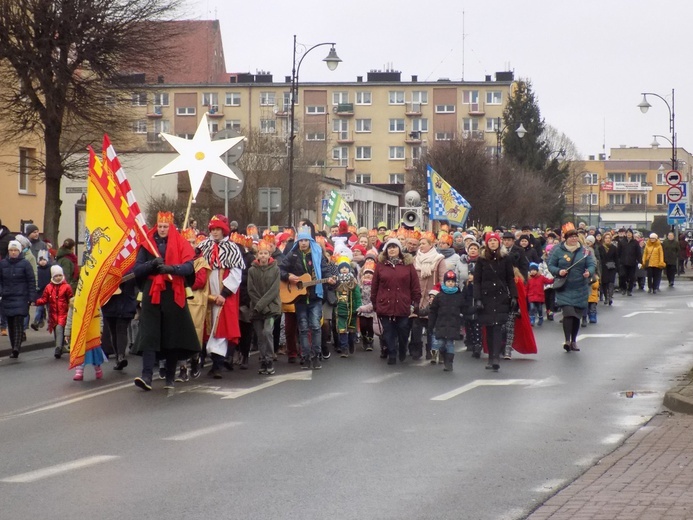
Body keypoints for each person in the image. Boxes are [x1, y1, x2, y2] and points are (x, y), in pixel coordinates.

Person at [132, 212, 201, 391]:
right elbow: (137, 269)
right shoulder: (147, 245)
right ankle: (146, 376)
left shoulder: (181, 243)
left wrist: (171, 268)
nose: (162, 230)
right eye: (160, 226)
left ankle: (170, 376)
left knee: (172, 335)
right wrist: (153, 264)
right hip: (152, 291)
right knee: (149, 333)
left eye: (165, 227)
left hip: (173, 292)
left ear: (170, 227)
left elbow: (189, 266)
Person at [280, 226, 337, 369]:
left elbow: (324, 271)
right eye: (301, 240)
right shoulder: (293, 255)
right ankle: (305, 357)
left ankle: (316, 356)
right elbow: (280, 269)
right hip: (299, 299)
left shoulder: (317, 254)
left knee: (316, 327)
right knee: (303, 329)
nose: (303, 243)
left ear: (310, 241)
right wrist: (288, 276)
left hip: (315, 298)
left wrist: (330, 279)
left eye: (306, 240)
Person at [372, 237, 421, 365]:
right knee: (388, 331)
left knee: (403, 329)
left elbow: (415, 285)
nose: (392, 249)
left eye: (394, 247)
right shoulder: (380, 266)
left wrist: (416, 302)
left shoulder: (408, 265)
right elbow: (375, 285)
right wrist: (374, 302)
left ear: (399, 249)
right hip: (385, 303)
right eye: (389, 247)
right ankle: (392, 353)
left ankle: (403, 347)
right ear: (386, 250)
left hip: (403, 303)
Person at [547, 228, 596, 353]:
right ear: (566, 238)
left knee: (576, 316)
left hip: (580, 287)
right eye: (571, 237)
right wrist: (559, 271)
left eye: (575, 236)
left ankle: (574, 340)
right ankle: (567, 340)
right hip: (565, 287)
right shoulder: (558, 250)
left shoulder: (585, 251)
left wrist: (588, 272)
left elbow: (591, 264)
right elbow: (551, 265)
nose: (573, 239)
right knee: (568, 313)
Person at [473, 232, 517, 371]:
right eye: (490, 240)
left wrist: (514, 296)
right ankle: (491, 356)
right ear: (486, 243)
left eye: (495, 240)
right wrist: (478, 298)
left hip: (501, 297)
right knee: (489, 327)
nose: (493, 243)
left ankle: (496, 357)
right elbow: (477, 281)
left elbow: (510, 278)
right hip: (486, 298)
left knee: (498, 327)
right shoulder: (481, 260)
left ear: (499, 243)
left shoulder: (505, 259)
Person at [248, 240, 281, 375]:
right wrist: (259, 306)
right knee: (260, 336)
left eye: (265, 253)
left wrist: (263, 306)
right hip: (256, 309)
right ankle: (262, 360)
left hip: (271, 308)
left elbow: (274, 290)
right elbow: (251, 290)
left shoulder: (276, 269)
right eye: (260, 253)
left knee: (268, 332)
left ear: (269, 255)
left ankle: (269, 359)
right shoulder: (251, 270)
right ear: (257, 255)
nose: (263, 256)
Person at [411, 231, 446, 360]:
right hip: (417, 298)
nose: (420, 246)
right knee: (416, 326)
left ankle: (431, 350)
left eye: (423, 243)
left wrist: (436, 294)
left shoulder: (439, 259)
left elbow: (443, 279)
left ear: (431, 245)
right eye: (420, 243)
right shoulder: (415, 259)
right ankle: (416, 350)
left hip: (433, 298)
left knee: (431, 326)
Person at [0, 240, 36, 358]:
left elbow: (31, 281)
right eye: (11, 250)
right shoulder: (3, 264)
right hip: (7, 297)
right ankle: (13, 347)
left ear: (19, 251)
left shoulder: (25, 264)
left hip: (21, 296)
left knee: (18, 321)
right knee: (10, 323)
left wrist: (31, 297)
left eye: (15, 250)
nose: (13, 252)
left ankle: (16, 347)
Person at [100, 269, 138, 370]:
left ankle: (120, 356)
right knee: (115, 331)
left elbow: (134, 280)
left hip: (123, 301)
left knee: (120, 330)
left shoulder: (129, 263)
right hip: (110, 302)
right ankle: (119, 357)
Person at [428, 270, 465, 371]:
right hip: (441, 324)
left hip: (454, 324)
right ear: (444, 282)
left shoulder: (459, 296)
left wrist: (475, 310)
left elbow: (465, 309)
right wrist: (431, 325)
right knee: (441, 344)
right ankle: (443, 356)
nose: (450, 283)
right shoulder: (439, 296)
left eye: (452, 282)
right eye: (448, 281)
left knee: (450, 343)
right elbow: (433, 311)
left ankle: (449, 362)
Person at [35, 265, 73, 359]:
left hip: (64, 313)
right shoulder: (48, 287)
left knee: (59, 329)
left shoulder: (66, 287)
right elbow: (44, 299)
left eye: (60, 275)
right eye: (56, 276)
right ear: (52, 277)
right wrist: (35, 301)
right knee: (57, 332)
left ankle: (58, 348)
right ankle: (61, 348)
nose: (58, 277)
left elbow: (70, 300)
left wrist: (71, 309)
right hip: (53, 315)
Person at [334, 256, 362, 358]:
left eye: (346, 267)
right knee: (342, 330)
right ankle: (344, 349)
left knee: (351, 330)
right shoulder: (336, 282)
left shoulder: (353, 282)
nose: (344, 269)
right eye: (342, 268)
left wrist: (358, 307)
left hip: (352, 310)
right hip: (340, 310)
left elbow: (357, 295)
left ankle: (351, 343)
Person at [526, 262, 553, 326]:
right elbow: (526, 288)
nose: (533, 272)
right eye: (531, 270)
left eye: (534, 270)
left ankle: (540, 318)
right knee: (532, 308)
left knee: (540, 309)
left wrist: (553, 279)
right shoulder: (528, 279)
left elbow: (548, 281)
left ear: (537, 271)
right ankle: (532, 319)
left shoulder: (541, 277)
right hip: (531, 296)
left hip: (539, 296)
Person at [31, 250, 51, 331]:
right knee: (39, 308)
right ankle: (36, 321)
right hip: (40, 293)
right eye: (41, 260)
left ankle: (51, 323)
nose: (42, 262)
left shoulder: (50, 269)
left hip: (49, 292)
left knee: (50, 309)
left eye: (44, 260)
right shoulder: (37, 270)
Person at [618, 229, 641, 296]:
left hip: (632, 262)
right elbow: (618, 252)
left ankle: (629, 290)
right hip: (623, 262)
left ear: (632, 234)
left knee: (631, 277)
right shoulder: (622, 242)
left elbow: (638, 253)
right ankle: (624, 288)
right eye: (627, 233)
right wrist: (618, 261)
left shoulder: (635, 242)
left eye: (630, 233)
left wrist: (639, 261)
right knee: (623, 276)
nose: (628, 234)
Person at [598, 232, 619, 305]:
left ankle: (610, 297)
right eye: (606, 238)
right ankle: (606, 297)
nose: (607, 239)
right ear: (603, 239)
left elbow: (616, 258)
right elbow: (599, 258)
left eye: (609, 238)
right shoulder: (600, 248)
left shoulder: (614, 248)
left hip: (611, 267)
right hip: (603, 268)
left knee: (611, 282)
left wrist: (617, 268)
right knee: (604, 283)